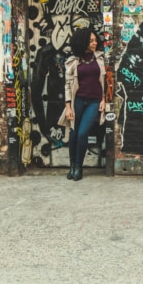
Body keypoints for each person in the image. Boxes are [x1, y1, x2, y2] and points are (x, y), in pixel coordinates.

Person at [58, 28, 105, 181]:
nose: (95, 43)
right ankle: (72, 166)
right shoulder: (73, 61)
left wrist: (104, 99)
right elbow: (67, 84)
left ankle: (79, 166)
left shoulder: (100, 58)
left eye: (95, 40)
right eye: (91, 41)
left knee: (82, 133)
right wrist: (68, 106)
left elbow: (105, 81)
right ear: (83, 41)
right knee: (73, 134)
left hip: (94, 101)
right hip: (77, 101)